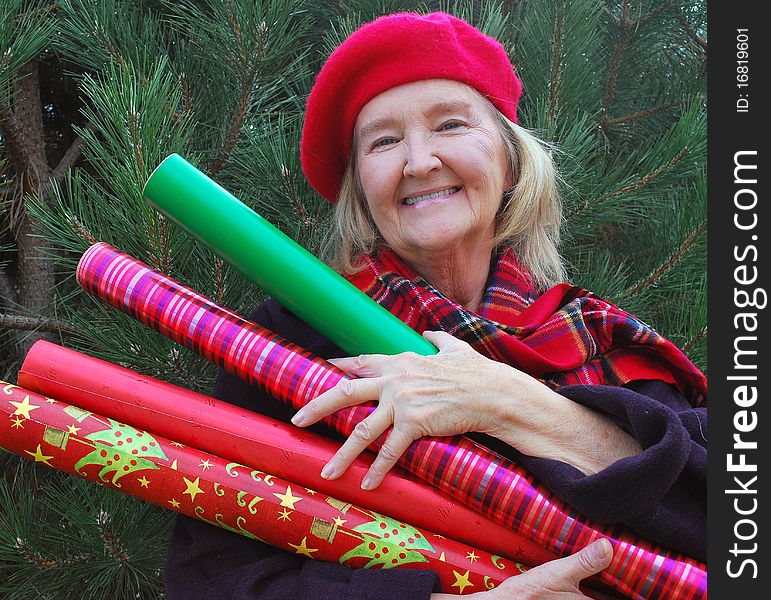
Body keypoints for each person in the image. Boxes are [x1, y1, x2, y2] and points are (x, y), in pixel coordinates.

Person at [165, 11, 707, 599]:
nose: (419, 161)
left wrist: (508, 402)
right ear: (360, 188)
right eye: (385, 141)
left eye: (450, 125)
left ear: (510, 161)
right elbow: (210, 577)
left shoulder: (592, 338)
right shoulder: (287, 343)